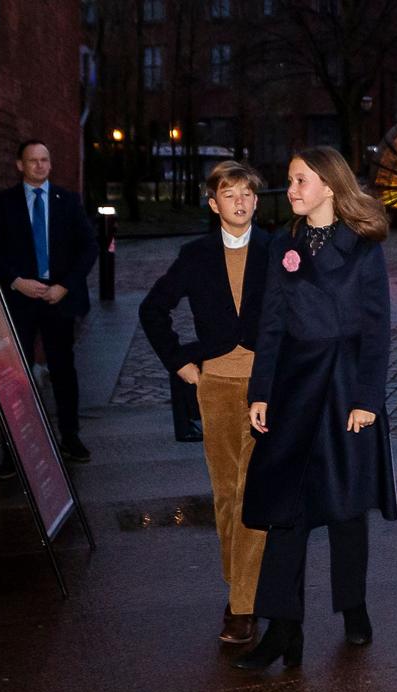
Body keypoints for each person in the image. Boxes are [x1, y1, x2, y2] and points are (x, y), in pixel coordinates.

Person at [231, 146, 397, 670]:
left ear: (328, 185)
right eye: (291, 179)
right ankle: (284, 628)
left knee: (346, 507)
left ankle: (353, 606)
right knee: (286, 509)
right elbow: (271, 325)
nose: (293, 189)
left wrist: (368, 399)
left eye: (301, 180)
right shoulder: (284, 244)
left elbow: (377, 330)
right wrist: (260, 391)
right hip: (294, 389)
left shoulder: (364, 247)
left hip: (346, 388)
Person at [138, 161, 271, 644]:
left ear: (257, 201)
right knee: (226, 494)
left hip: (265, 390)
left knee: (253, 490)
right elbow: (152, 309)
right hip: (215, 387)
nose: (240, 201)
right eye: (229, 194)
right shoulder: (195, 255)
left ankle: (243, 605)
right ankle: (239, 586)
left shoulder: (278, 251)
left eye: (248, 194)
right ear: (214, 204)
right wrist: (181, 364)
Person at [0, 140, 98, 464]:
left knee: (63, 369)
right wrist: (16, 281)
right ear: (20, 165)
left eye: (44, 160)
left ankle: (71, 437)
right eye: (32, 161)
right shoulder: (4, 204)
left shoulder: (68, 201)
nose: (39, 166)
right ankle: (13, 447)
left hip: (57, 298)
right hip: (21, 297)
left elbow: (89, 247)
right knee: (16, 373)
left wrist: (64, 285)